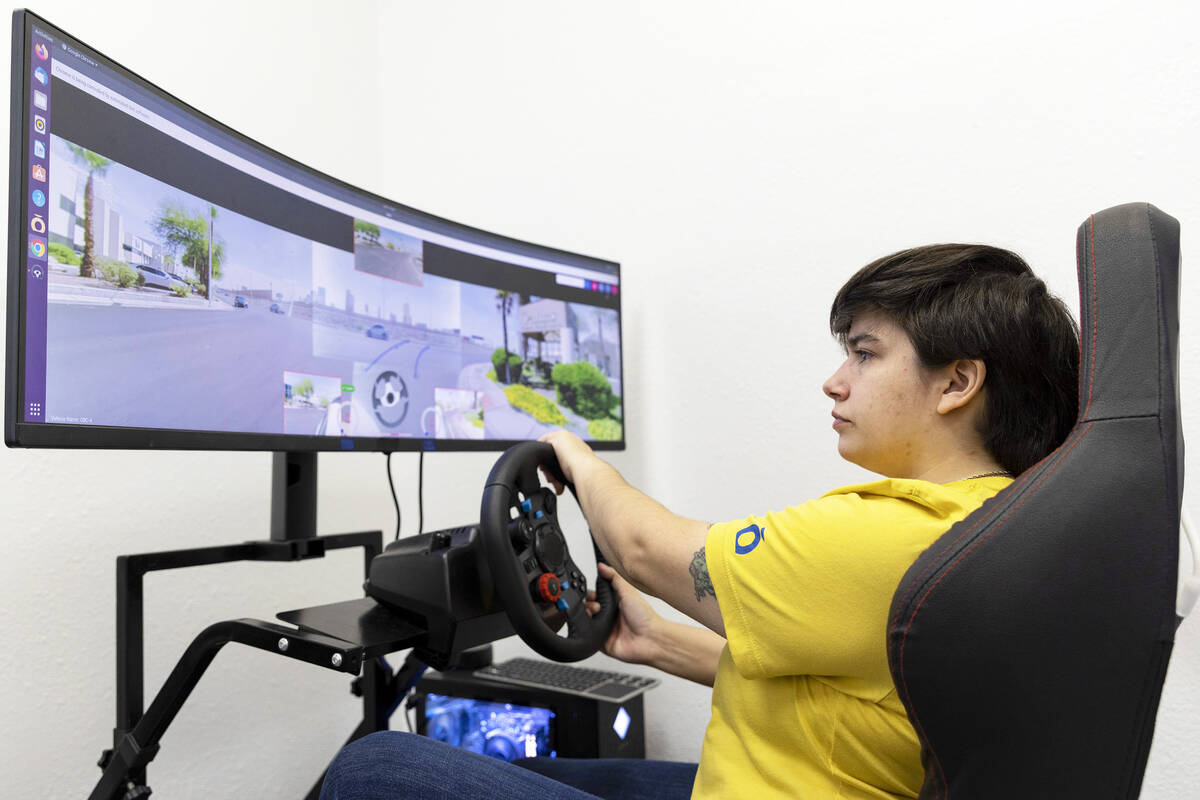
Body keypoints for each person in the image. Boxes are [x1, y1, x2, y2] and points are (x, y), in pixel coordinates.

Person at [320, 243, 1080, 800]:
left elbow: (644, 548)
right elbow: (840, 708)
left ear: (957, 382)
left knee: (375, 766)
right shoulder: (995, 522)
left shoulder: (897, 535)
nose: (835, 380)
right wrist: (654, 642)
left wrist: (572, 454)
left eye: (864, 353)